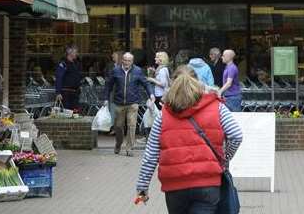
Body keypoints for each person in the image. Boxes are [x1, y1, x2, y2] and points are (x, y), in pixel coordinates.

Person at [135, 66, 243, 213]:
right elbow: (236, 135)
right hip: (208, 183)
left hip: (175, 186)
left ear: (173, 84)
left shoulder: (164, 114)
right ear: (198, 82)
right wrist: (225, 158)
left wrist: (142, 187)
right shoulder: (217, 107)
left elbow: (151, 154)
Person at [104, 52, 154, 156]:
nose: (127, 62)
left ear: (132, 61)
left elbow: (146, 83)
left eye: (129, 60)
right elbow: (108, 85)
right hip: (119, 103)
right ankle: (118, 143)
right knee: (118, 126)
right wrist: (106, 98)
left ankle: (129, 148)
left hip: (133, 103)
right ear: (122, 60)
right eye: (125, 60)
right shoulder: (115, 70)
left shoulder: (138, 71)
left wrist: (151, 94)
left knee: (132, 126)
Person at [54, 45, 82, 111]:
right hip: (66, 93)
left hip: (75, 93)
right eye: (75, 52)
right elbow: (59, 78)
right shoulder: (63, 64)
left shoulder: (76, 64)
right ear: (70, 53)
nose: (77, 54)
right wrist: (58, 92)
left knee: (75, 113)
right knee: (67, 112)